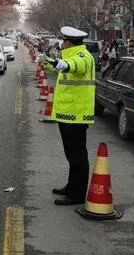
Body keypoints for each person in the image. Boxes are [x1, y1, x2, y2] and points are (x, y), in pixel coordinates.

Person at [38, 26, 96, 206]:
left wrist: (63, 64)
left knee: (77, 156)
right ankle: (71, 187)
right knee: (72, 155)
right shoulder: (71, 56)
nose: (62, 44)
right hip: (68, 114)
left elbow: (75, 66)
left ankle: (77, 195)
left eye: (64, 41)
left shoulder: (83, 56)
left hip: (76, 115)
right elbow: (63, 70)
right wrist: (48, 61)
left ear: (69, 42)